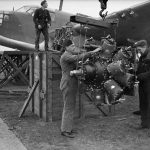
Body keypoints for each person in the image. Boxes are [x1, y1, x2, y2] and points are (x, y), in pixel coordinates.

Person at [60, 39, 101, 138]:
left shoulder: (68, 54)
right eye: (71, 46)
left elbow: (78, 58)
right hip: (68, 84)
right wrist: (91, 52)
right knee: (68, 107)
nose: (73, 47)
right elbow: (77, 57)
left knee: (70, 106)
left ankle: (68, 128)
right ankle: (65, 130)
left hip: (71, 83)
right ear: (67, 47)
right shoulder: (66, 55)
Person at [135, 40, 150, 128]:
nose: (138, 52)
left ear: (145, 47)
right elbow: (141, 68)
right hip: (142, 84)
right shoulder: (142, 57)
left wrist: (141, 75)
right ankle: (144, 124)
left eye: (139, 49)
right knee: (143, 104)